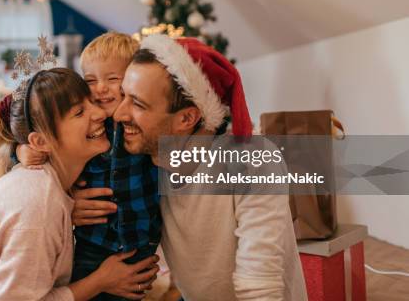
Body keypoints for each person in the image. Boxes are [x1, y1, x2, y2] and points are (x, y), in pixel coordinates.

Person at [76, 35, 308, 300]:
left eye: (138, 104)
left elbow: (259, 285)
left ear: (187, 117)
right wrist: (72, 204)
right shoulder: (147, 161)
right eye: (123, 96)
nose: (119, 114)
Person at [0, 68, 159, 300]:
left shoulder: (46, 183)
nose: (100, 114)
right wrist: (99, 282)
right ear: (40, 141)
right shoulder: (38, 203)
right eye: (79, 113)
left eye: (92, 103)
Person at [17, 33, 162, 300]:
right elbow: (50, 146)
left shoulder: (145, 126)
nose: (100, 89)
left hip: (140, 245)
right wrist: (22, 151)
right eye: (91, 80)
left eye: (112, 79)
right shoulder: (89, 128)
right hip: (92, 244)